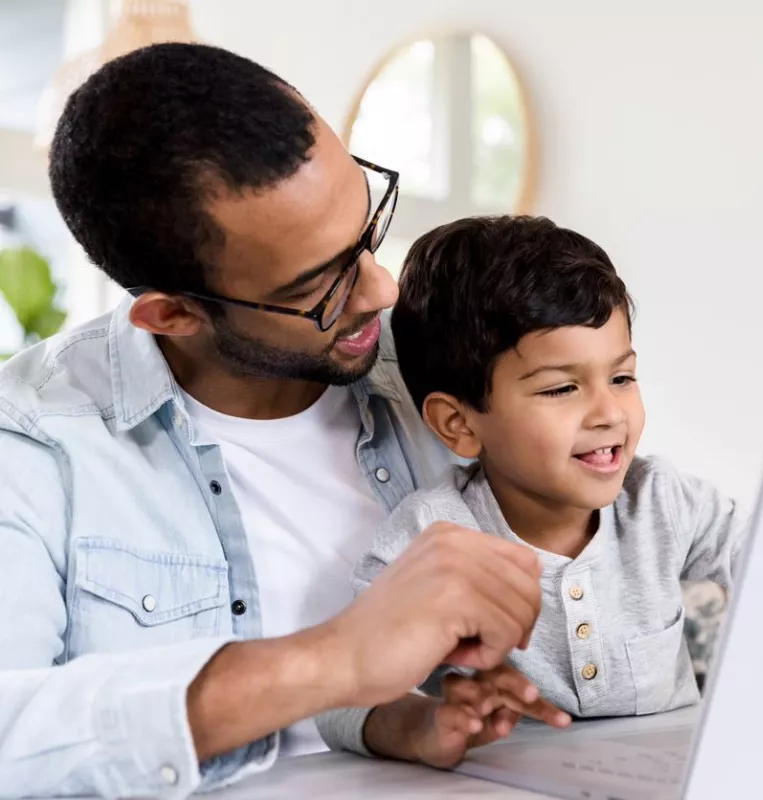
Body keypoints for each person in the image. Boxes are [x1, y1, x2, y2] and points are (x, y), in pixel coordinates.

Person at [0, 43, 561, 800]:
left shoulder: (441, 380)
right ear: (173, 314)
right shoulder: (31, 441)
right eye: (317, 287)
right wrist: (331, 660)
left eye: (366, 229)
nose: (381, 290)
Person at [317, 216, 748, 767]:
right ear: (460, 425)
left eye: (622, 378)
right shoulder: (434, 539)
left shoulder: (662, 499)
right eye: (561, 388)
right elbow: (338, 700)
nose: (609, 412)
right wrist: (422, 724)